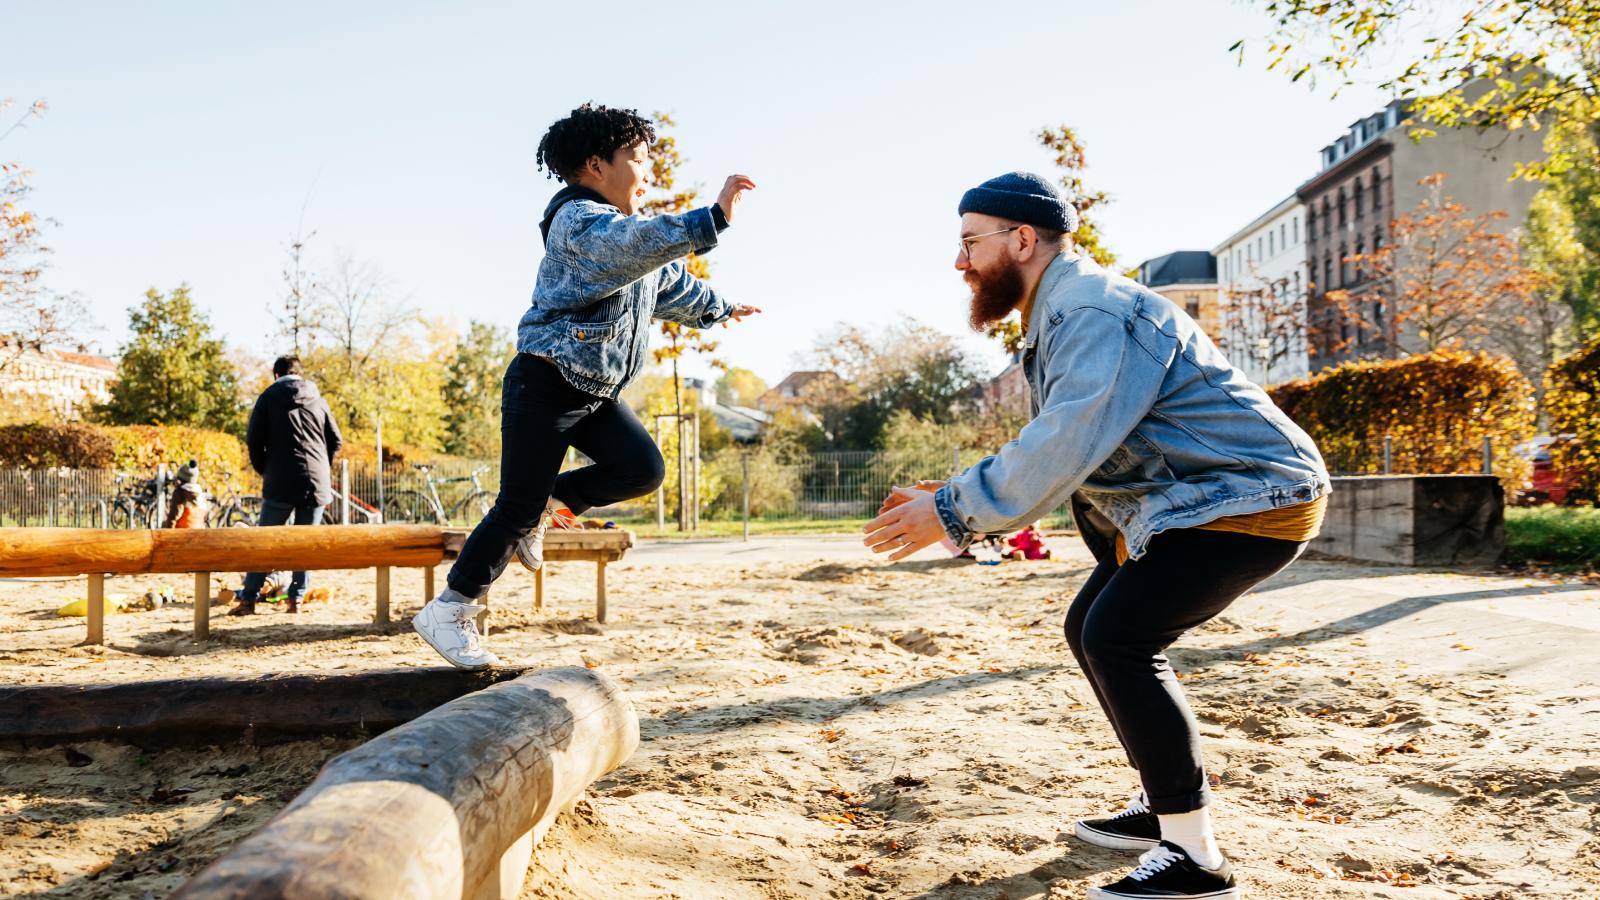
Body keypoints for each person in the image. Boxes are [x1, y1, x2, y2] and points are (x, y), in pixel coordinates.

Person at [864, 172, 1330, 900]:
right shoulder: (1063, 312)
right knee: (1092, 626)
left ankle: (1196, 859)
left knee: (1118, 636)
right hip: (1197, 499)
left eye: (969, 243)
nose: (959, 264)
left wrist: (955, 512)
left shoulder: (1088, 310)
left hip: (1249, 495)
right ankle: (1163, 805)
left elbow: (1067, 437)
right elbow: (1068, 448)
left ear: (1022, 240)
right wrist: (951, 496)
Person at [413, 103, 760, 670]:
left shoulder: (623, 240)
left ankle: (558, 502)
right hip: (546, 383)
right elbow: (638, 245)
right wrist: (712, 217)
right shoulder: (579, 223)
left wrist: (720, 308)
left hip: (594, 391)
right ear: (597, 166)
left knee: (643, 468)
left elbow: (668, 284)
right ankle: (451, 608)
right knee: (515, 507)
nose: (647, 174)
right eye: (639, 160)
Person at [232, 355, 343, 616]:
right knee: (306, 543)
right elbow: (335, 440)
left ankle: (249, 599)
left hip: (280, 479)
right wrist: (321, 468)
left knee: (264, 541)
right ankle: (296, 600)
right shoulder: (318, 398)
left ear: (276, 374)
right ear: (300, 373)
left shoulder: (268, 398)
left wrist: (265, 470)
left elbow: (253, 440)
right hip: (315, 482)